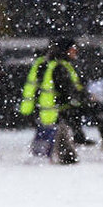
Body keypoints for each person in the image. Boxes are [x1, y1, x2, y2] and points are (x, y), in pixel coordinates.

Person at [35, 35, 88, 164]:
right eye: (72, 49)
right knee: (62, 134)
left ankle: (47, 154)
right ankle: (64, 156)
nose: (75, 51)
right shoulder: (60, 67)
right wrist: (82, 98)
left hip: (50, 109)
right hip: (57, 109)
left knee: (54, 135)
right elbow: (66, 90)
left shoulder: (52, 64)